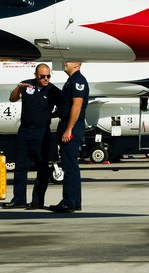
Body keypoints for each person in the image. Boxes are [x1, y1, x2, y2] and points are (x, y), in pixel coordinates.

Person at [2, 63, 61, 210]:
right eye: (42, 76)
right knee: (21, 166)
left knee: (42, 167)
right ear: (36, 75)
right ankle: (19, 199)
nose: (45, 79)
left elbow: (64, 107)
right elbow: (12, 99)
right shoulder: (27, 85)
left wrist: (49, 115)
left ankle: (37, 201)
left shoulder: (53, 90)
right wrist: (18, 88)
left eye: (48, 76)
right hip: (24, 131)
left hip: (41, 132)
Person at [49, 61, 89, 213]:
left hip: (72, 128)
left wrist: (69, 129)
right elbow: (65, 106)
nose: (65, 63)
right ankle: (73, 202)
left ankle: (69, 202)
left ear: (77, 64)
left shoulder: (78, 81)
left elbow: (76, 106)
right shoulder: (71, 81)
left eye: (69, 61)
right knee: (70, 165)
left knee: (69, 166)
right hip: (66, 126)